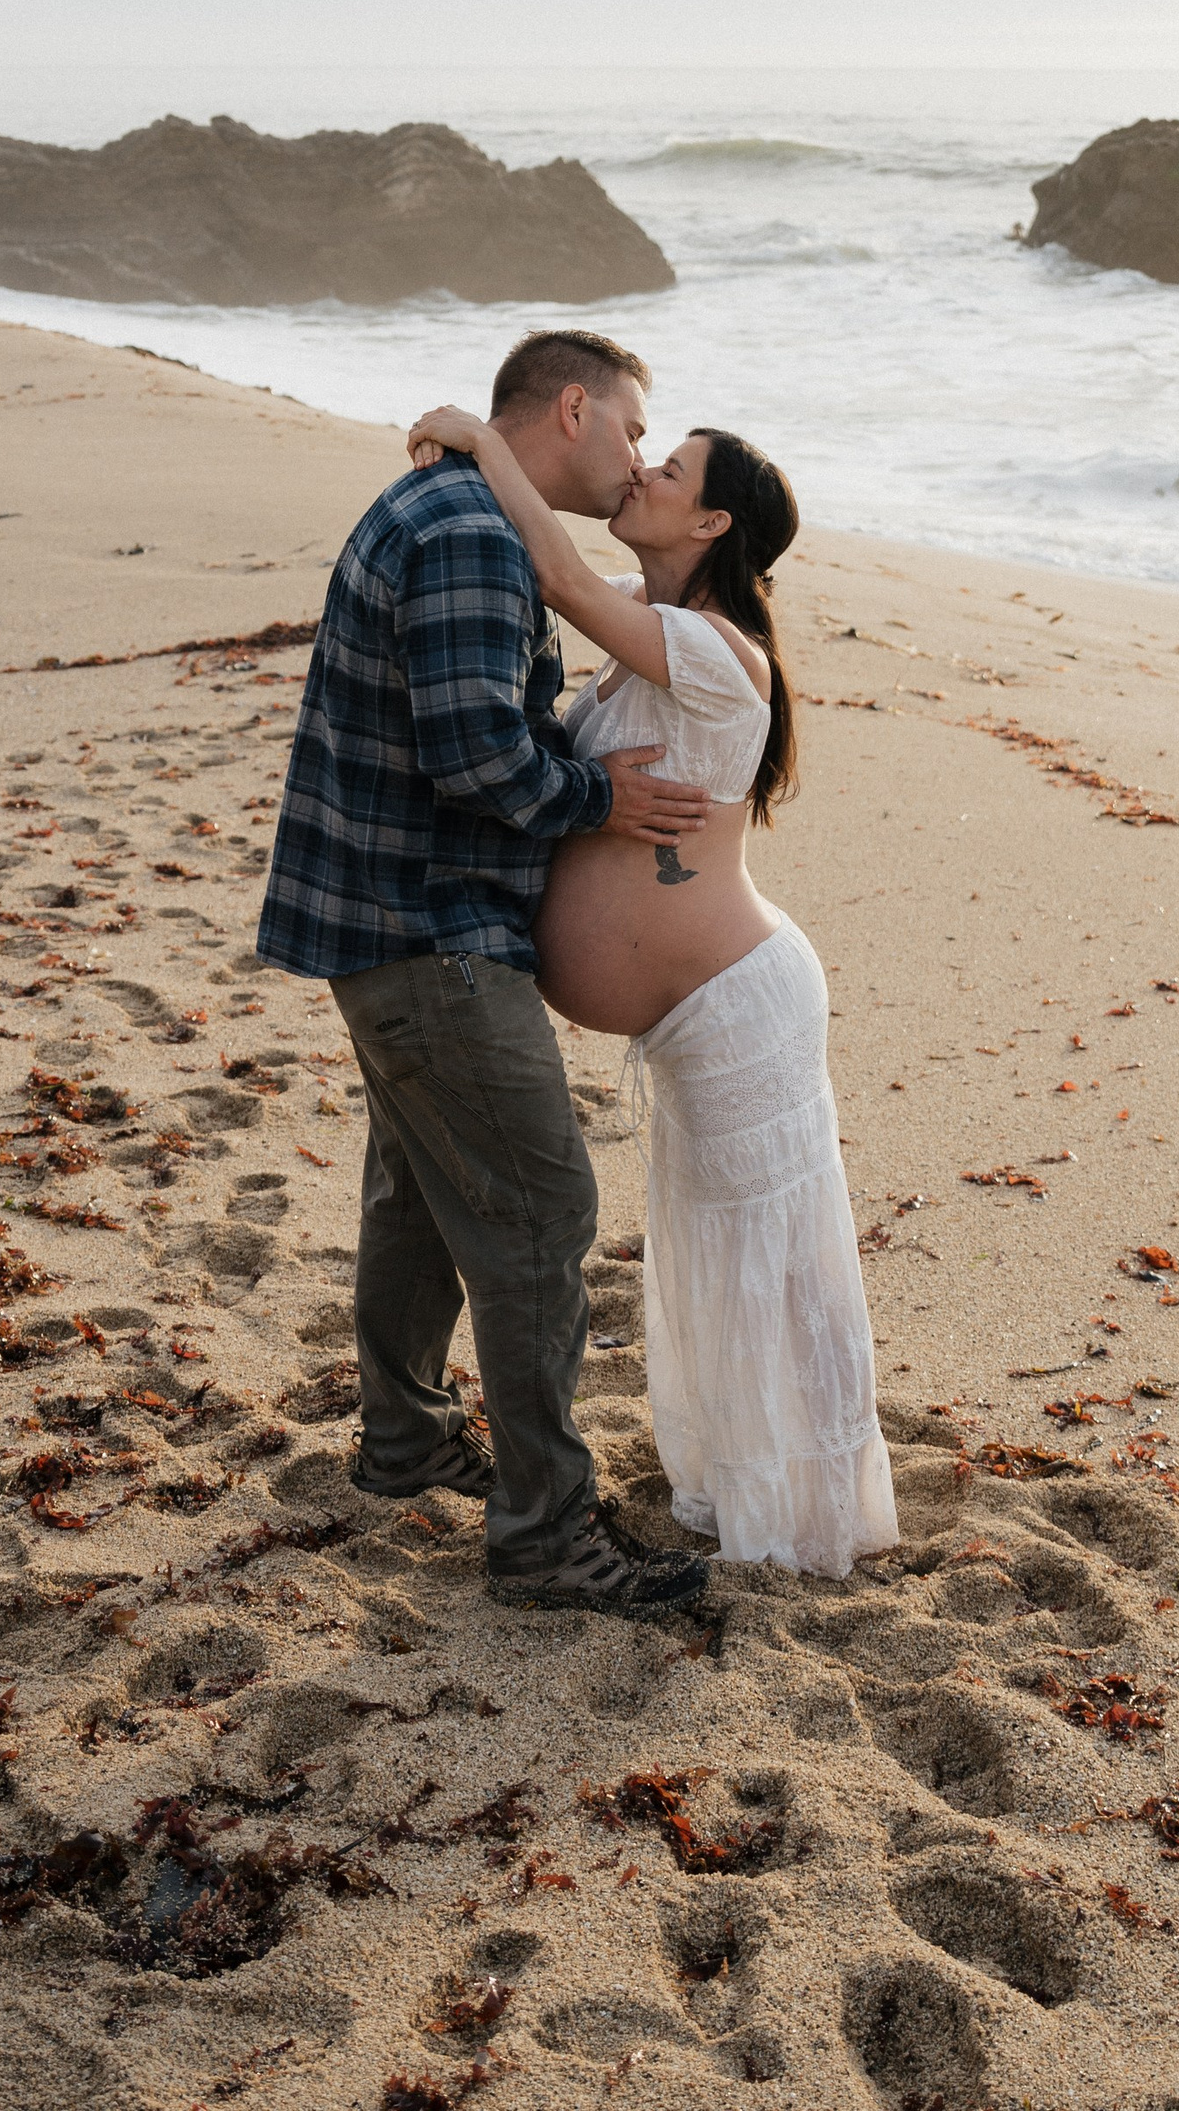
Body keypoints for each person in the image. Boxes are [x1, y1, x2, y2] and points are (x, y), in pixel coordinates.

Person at [256, 327, 716, 1616]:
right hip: (432, 935)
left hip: (392, 926)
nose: (636, 458)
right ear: (572, 407)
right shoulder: (467, 531)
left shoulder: (457, 502)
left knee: (418, 1198)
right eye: (632, 428)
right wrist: (601, 798)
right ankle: (543, 1534)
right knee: (535, 1214)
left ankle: (403, 1437)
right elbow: (479, 760)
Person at [404, 398, 898, 1581]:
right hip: (698, 1015)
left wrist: (485, 446)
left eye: (667, 467)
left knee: (776, 1255)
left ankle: (816, 1511)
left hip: (739, 1004)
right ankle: (747, 1484)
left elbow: (566, 576)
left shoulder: (720, 650)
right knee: (718, 1247)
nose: (640, 471)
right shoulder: (652, 647)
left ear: (712, 517)